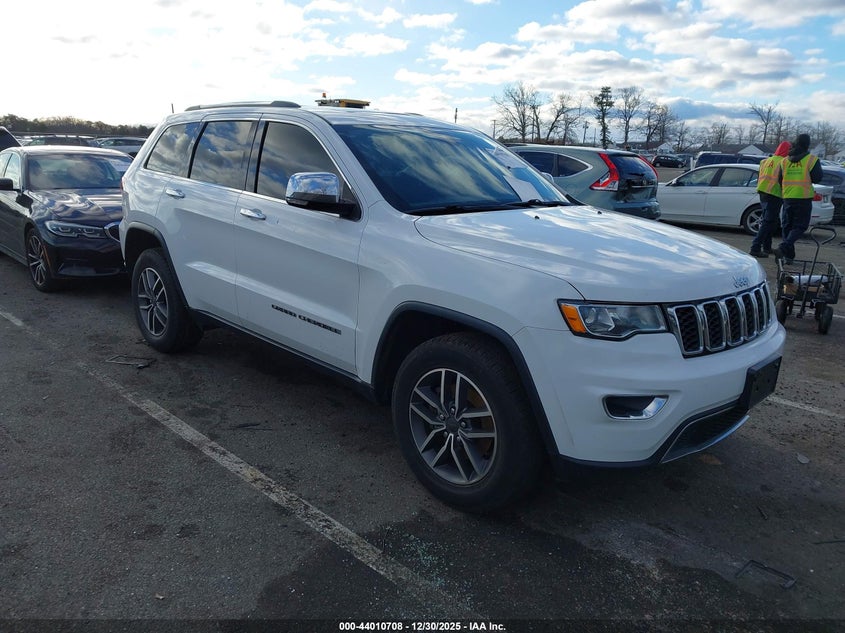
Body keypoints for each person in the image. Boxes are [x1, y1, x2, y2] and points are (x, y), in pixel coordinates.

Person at [773, 133, 823, 264]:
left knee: (787, 227)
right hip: (803, 197)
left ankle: (788, 257)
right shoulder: (811, 160)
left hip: (788, 197)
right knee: (800, 226)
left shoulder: (784, 161)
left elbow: (780, 180)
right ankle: (784, 248)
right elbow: (817, 178)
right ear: (807, 145)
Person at [749, 141, 790, 257]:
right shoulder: (783, 162)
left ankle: (767, 247)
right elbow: (783, 180)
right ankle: (755, 247)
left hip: (763, 191)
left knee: (771, 221)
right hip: (774, 193)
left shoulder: (765, 161)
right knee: (768, 222)